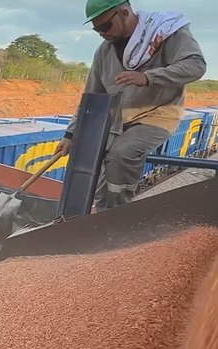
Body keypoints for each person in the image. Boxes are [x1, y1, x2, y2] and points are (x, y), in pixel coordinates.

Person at [55, 0, 207, 211]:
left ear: (124, 13)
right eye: (97, 29)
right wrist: (70, 135)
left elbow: (196, 65)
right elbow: (91, 97)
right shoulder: (104, 52)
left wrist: (148, 77)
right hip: (118, 122)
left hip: (158, 115)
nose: (101, 33)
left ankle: (118, 215)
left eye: (105, 26)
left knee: (122, 154)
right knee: (98, 173)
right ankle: (98, 220)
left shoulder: (165, 33)